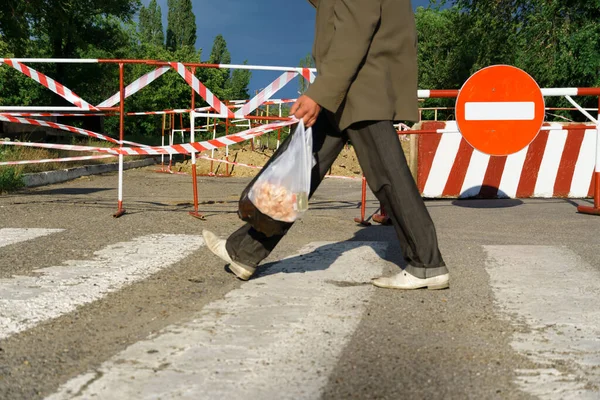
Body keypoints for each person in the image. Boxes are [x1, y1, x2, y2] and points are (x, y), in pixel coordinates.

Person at [202, 0, 449, 290]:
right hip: (349, 89)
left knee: (389, 177)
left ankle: (426, 262)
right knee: (301, 168)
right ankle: (245, 251)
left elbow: (354, 32)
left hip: (361, 87)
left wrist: (320, 92)